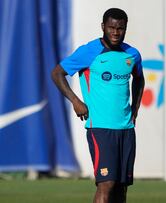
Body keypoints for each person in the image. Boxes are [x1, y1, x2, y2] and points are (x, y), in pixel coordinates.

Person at [51, 8, 144, 203]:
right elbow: (57, 73)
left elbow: (139, 79)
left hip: (126, 129)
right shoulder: (90, 51)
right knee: (106, 184)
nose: (116, 33)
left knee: (121, 188)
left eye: (120, 28)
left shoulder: (132, 54)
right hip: (100, 128)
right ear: (103, 27)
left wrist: (135, 108)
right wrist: (76, 101)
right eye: (111, 27)